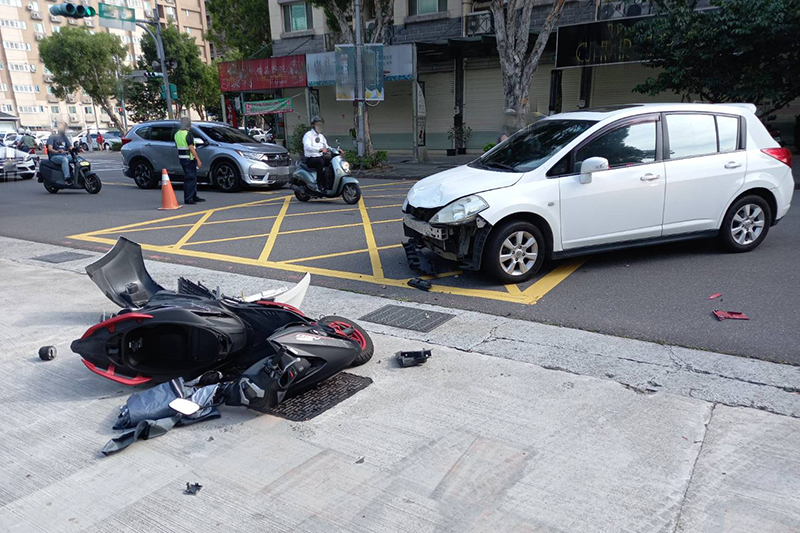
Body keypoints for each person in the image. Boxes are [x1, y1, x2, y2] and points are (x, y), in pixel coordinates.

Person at [174, 117, 204, 204]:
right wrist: (198, 160)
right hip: (189, 159)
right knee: (190, 179)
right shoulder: (188, 134)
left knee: (192, 178)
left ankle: (193, 196)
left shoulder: (177, 134)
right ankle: (189, 198)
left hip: (182, 159)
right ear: (188, 125)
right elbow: (191, 148)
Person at [303, 115, 333, 191]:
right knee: (320, 162)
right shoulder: (308, 135)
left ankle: (328, 182)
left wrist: (335, 150)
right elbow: (307, 147)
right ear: (313, 125)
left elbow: (327, 146)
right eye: (317, 124)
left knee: (332, 161)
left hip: (320, 157)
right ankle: (319, 184)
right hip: (310, 159)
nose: (319, 126)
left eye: (321, 124)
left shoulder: (321, 136)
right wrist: (319, 149)